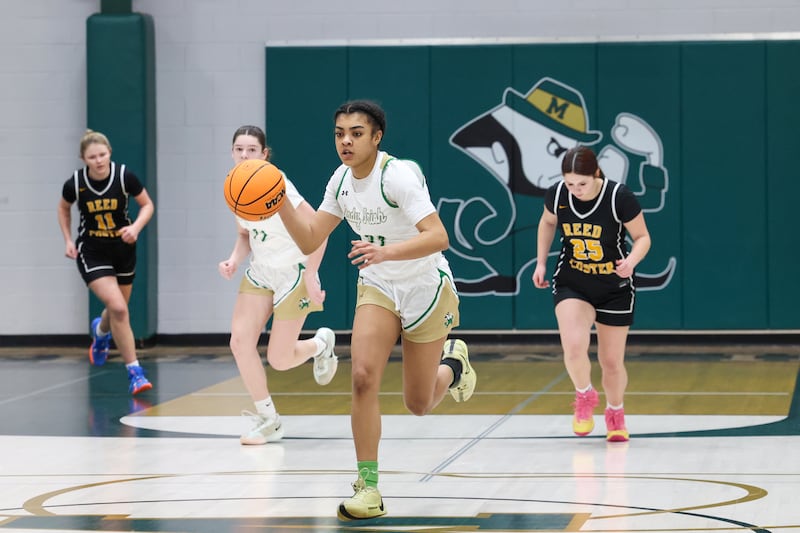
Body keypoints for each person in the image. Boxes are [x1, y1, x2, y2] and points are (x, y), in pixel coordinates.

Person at [276, 100, 476, 520]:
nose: (345, 141)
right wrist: (277, 203)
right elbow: (311, 238)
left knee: (418, 404)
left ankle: (453, 366)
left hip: (425, 287)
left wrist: (387, 252)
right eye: (338, 134)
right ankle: (369, 488)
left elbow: (439, 236)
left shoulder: (396, 176)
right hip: (379, 284)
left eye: (356, 133)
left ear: (376, 136)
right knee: (363, 377)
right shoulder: (341, 181)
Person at [218, 125, 338, 445]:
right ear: (232, 153)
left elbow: (317, 229)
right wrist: (233, 259)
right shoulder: (235, 188)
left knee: (280, 360)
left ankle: (322, 344)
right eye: (239, 149)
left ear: (264, 154)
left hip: (294, 271)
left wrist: (312, 274)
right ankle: (269, 419)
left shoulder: (277, 184)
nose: (245, 155)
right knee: (240, 342)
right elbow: (246, 235)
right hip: (261, 271)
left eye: (252, 150)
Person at [532, 146, 651, 443]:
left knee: (611, 362)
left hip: (614, 287)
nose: (575, 190)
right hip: (574, 281)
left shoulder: (618, 197)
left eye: (581, 184)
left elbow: (643, 237)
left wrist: (631, 261)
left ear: (596, 173)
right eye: (570, 183)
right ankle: (584, 395)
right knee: (573, 346)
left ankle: (615, 412)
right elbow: (548, 222)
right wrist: (542, 261)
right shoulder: (558, 195)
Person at [57, 130, 155, 395]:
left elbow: (147, 205)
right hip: (92, 250)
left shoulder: (124, 176)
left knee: (116, 310)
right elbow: (63, 207)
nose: (98, 160)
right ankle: (135, 372)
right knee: (119, 309)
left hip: (122, 248)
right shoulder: (75, 183)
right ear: (83, 158)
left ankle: (100, 332)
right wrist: (68, 239)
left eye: (102, 155)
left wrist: (135, 227)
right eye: (92, 157)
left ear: (109, 152)